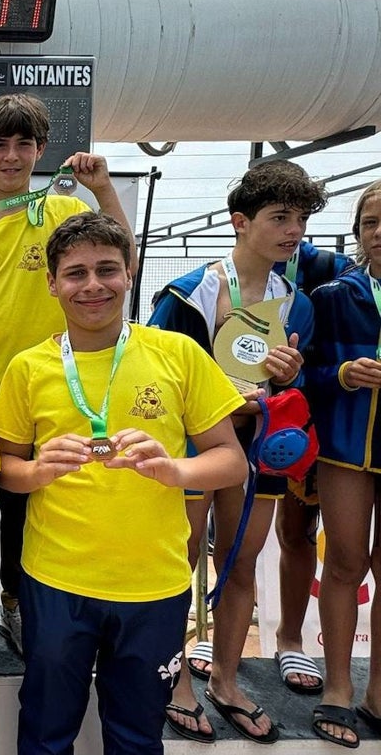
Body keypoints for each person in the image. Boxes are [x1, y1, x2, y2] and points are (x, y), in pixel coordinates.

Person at [0, 212, 246, 755]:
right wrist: (37, 471)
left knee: (136, 735)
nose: (91, 286)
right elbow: (4, 469)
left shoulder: (177, 354)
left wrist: (176, 470)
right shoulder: (29, 368)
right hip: (57, 582)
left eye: (106, 269)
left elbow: (231, 461)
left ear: (129, 272)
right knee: (45, 728)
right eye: (75, 273)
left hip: (153, 586)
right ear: (52, 282)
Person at [0, 92, 137, 657]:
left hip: (45, 393)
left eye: (24, 144)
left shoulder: (66, 213)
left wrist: (103, 189)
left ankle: (16, 607)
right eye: (0, 145)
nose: (12, 156)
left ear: (41, 150)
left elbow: (126, 258)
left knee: (25, 508)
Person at [149, 160, 324, 742]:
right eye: (279, 217)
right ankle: (175, 680)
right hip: (194, 448)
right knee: (181, 560)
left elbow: (295, 389)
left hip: (258, 451)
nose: (292, 230)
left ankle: (225, 678)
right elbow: (153, 370)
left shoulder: (297, 304)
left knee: (240, 561)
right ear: (240, 221)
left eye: (300, 218)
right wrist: (222, 398)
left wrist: (289, 379)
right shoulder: (188, 292)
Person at [305, 180, 381, 748]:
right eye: (370, 223)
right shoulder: (334, 294)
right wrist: (342, 375)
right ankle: (337, 689)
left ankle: (379, 691)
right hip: (347, 446)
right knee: (345, 561)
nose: (379, 234)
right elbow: (304, 370)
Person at [269, 230, 351, 698]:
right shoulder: (231, 272)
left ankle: (291, 638)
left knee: (309, 534)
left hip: (329, 418)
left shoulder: (334, 271)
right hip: (267, 415)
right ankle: (276, 637)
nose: (287, 229)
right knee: (275, 532)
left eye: (295, 216)